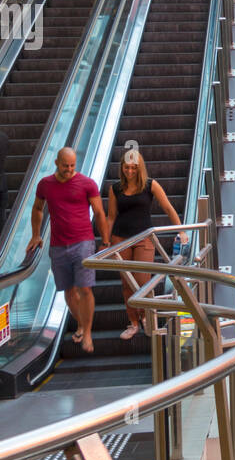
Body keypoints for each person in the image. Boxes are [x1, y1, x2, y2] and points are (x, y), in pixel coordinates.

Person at [26, 147, 110, 354]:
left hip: (83, 243)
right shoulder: (45, 184)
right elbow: (37, 208)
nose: (69, 169)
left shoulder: (87, 183)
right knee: (68, 290)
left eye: (73, 165)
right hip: (57, 245)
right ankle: (81, 323)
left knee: (85, 288)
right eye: (65, 165)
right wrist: (36, 234)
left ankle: (87, 332)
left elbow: (99, 212)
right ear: (56, 163)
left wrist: (105, 241)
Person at [105, 149, 185, 341]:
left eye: (133, 167)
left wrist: (181, 230)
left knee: (142, 281)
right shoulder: (115, 188)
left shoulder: (150, 185)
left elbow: (167, 207)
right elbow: (111, 217)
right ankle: (133, 322)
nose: (130, 171)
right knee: (126, 283)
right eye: (126, 167)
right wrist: (106, 242)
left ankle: (146, 317)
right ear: (121, 168)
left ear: (139, 167)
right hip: (120, 239)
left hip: (144, 237)